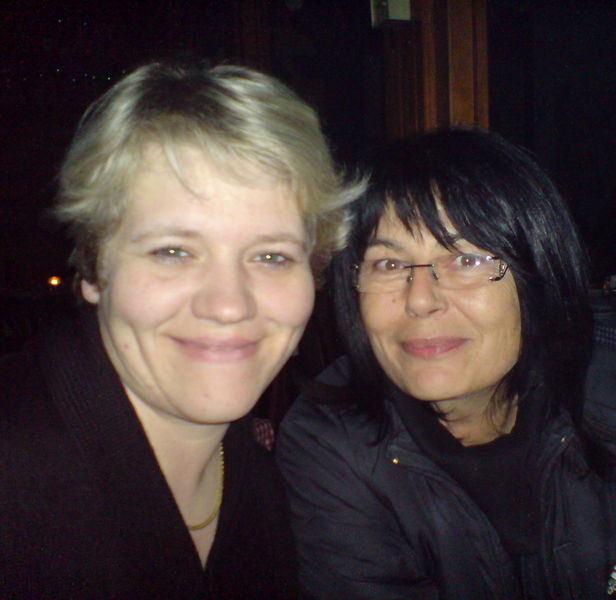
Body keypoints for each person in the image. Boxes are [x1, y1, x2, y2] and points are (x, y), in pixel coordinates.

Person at [276, 129, 616, 599]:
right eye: (389, 265)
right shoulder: (328, 446)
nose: (420, 300)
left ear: (540, 276)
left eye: (466, 260)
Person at [0, 61, 360, 599]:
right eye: (173, 252)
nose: (229, 305)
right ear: (94, 269)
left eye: (271, 255)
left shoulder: (267, 478)